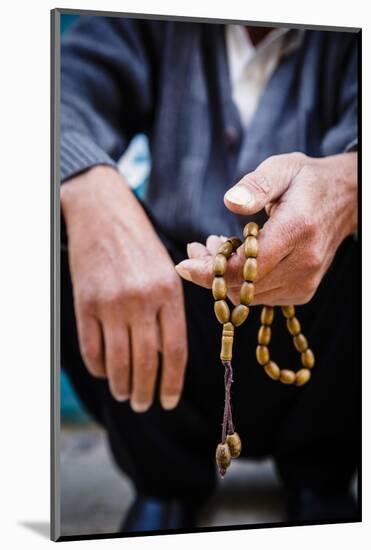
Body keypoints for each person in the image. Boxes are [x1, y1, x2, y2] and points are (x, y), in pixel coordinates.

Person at [60, 16, 359, 532]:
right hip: (172, 319)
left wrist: (351, 186)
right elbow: (51, 88)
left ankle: (324, 477)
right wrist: (86, 183)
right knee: (54, 218)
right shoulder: (143, 15)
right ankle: (164, 481)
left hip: (329, 330)